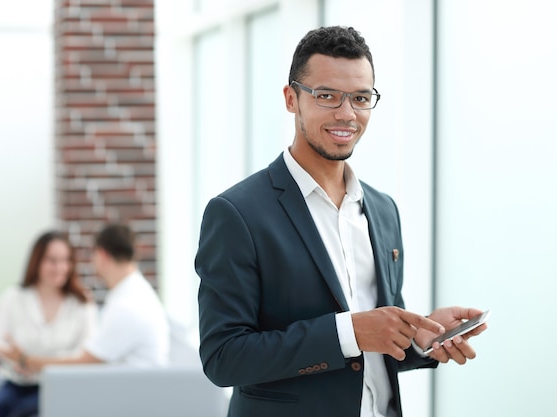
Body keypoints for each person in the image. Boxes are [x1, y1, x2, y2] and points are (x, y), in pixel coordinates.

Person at [195, 26, 488, 417]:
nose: (347, 114)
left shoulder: (383, 210)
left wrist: (418, 336)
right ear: (291, 99)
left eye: (360, 98)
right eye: (327, 96)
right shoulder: (237, 213)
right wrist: (348, 333)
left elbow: (376, 344)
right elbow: (223, 357)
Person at [3, 223, 170, 372]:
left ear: (102, 254)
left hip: (134, 395)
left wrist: (26, 360)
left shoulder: (127, 305)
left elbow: (86, 362)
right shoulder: (134, 293)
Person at [0, 231, 97, 417]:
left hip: (62, 387)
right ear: (37, 261)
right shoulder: (13, 297)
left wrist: (30, 360)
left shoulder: (82, 302)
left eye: (66, 260)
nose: (60, 267)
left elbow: (85, 357)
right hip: (19, 384)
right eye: (52, 260)